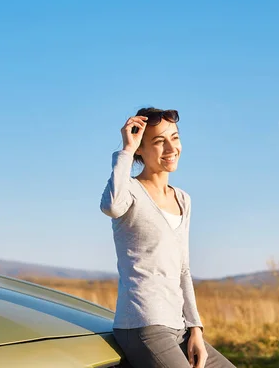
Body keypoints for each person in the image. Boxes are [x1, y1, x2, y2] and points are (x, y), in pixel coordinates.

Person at [100, 108, 236, 368]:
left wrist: (195, 328)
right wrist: (127, 150)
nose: (171, 148)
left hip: (180, 328)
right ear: (141, 147)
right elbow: (111, 207)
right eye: (159, 141)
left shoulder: (183, 199)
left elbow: (183, 269)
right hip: (143, 324)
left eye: (174, 137)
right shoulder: (129, 190)